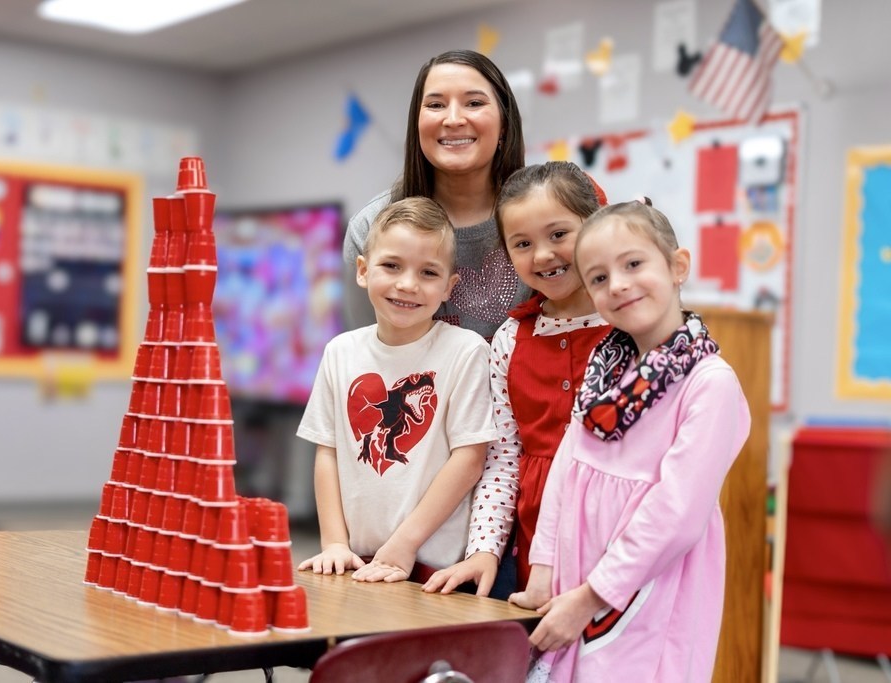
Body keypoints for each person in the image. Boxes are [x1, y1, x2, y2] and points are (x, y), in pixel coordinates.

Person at [510, 200, 751, 682]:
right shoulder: (606, 368)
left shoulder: (710, 384)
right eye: (598, 278)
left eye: (634, 264)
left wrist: (591, 597)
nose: (617, 284)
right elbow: (566, 467)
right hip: (575, 578)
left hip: (645, 586)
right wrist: (543, 570)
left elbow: (676, 515)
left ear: (677, 266)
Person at [423, 161, 610, 599]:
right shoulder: (509, 338)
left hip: (615, 540)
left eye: (559, 234)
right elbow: (503, 458)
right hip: (532, 547)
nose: (543, 254)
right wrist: (483, 550)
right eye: (522, 243)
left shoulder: (627, 324)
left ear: (595, 227)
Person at [297, 197, 495, 583]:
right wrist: (334, 543)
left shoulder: (466, 350)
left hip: (433, 569)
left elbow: (470, 459)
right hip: (355, 558)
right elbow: (328, 452)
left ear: (449, 287)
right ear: (362, 270)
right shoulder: (340, 352)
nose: (408, 284)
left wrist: (404, 543)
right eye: (391, 266)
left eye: (428, 272)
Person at [343, 49, 529, 340]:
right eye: (436, 105)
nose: (453, 119)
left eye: (474, 102)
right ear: (417, 123)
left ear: (504, 124)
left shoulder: (540, 215)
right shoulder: (369, 228)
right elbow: (366, 352)